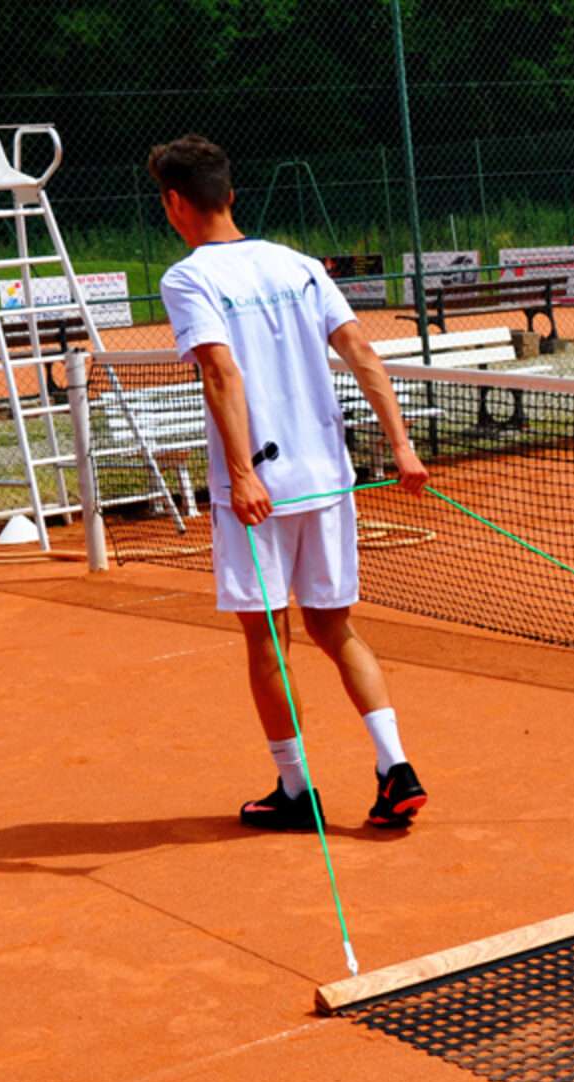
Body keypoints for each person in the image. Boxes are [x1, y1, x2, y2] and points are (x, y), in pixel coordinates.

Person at [147, 133, 428, 832]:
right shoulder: (300, 265)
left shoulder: (187, 279)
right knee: (335, 627)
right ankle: (396, 767)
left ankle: (297, 792)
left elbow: (221, 371)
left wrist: (242, 475)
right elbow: (361, 351)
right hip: (327, 478)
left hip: (260, 493)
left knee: (268, 640)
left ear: (175, 203)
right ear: (230, 193)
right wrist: (401, 446)